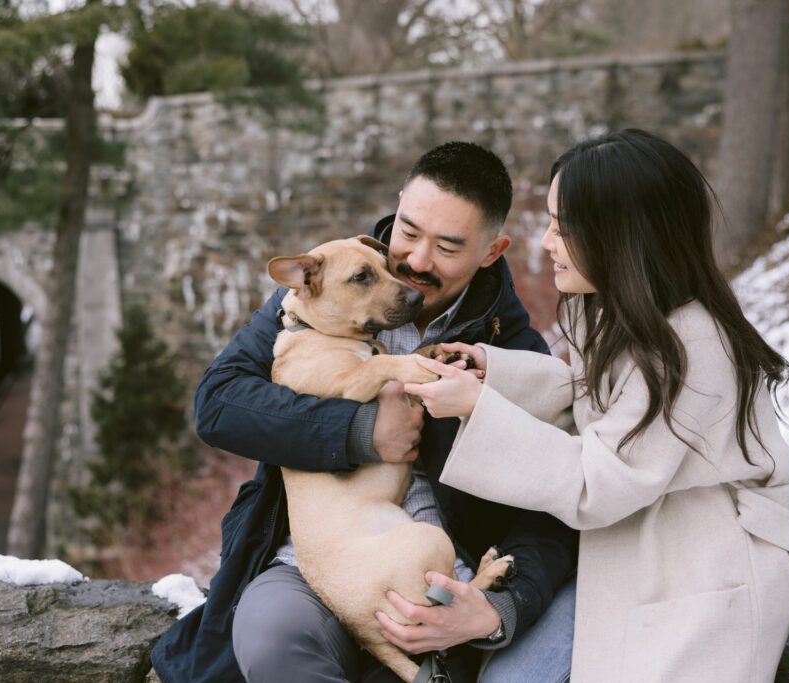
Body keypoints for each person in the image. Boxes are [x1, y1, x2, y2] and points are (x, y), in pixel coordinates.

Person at [404, 129, 789, 683]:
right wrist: (496, 377)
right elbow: (592, 400)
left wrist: (479, 408)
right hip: (632, 543)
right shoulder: (620, 311)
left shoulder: (691, 345)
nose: (547, 243)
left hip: (698, 568)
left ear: (618, 234)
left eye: (562, 227)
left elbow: (598, 483)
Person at [151, 141, 578, 683]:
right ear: (397, 207)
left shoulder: (514, 351)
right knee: (273, 640)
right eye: (408, 231)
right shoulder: (327, 288)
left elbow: (551, 508)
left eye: (448, 247)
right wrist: (358, 432)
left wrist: (499, 609)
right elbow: (219, 403)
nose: (417, 260)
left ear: (491, 252)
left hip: (444, 571)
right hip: (314, 562)